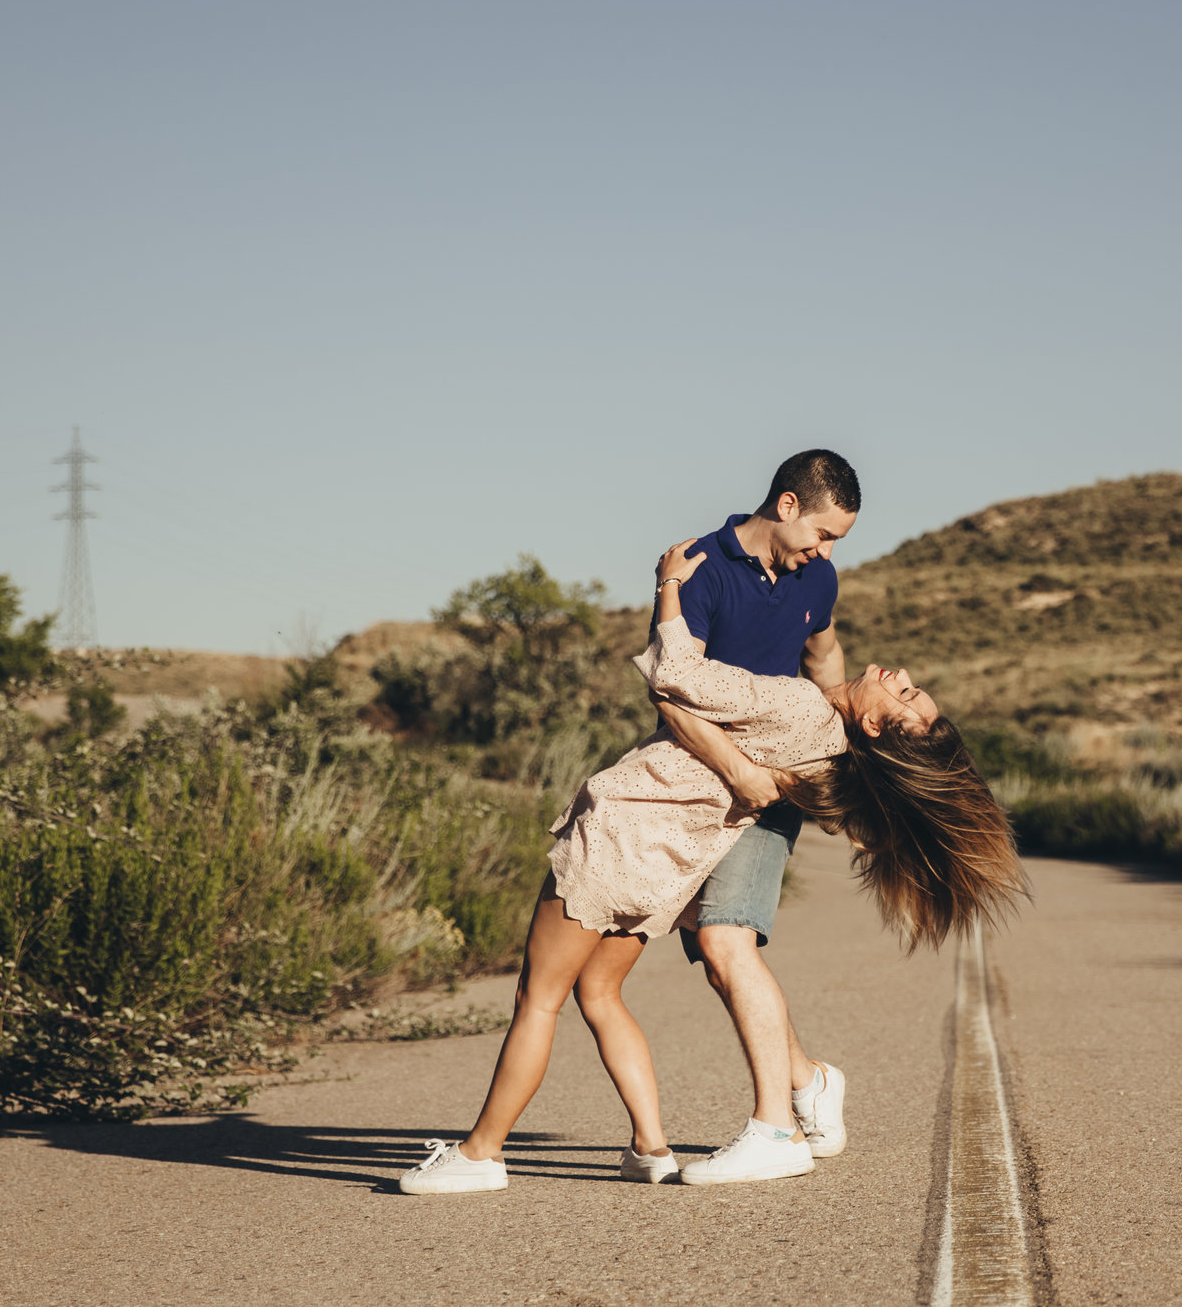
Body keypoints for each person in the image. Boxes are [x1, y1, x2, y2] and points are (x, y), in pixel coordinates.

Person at [397, 537, 1024, 1194]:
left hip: (618, 836)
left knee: (538, 998)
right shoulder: (832, 766)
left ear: (875, 725)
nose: (898, 676)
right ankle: (651, 1147)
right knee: (600, 993)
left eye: (907, 693)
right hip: (665, 874)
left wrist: (668, 586)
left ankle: (481, 1152)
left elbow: (678, 673)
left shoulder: (800, 706)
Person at [651, 449, 859, 1167]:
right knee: (717, 959)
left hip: (771, 795)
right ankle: (809, 1079)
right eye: (823, 535)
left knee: (726, 944)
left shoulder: (819, 578)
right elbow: (671, 694)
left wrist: (839, 753)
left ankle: (775, 1130)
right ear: (789, 505)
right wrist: (736, 768)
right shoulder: (702, 568)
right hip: (698, 783)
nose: (825, 554)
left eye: (836, 543)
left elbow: (826, 662)